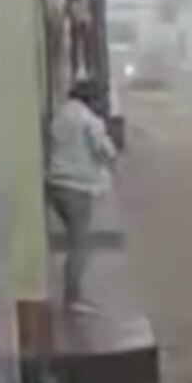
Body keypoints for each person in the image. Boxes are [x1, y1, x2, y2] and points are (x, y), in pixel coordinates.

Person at [46, 79, 116, 309]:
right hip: (77, 187)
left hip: (56, 184)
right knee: (80, 245)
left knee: (75, 241)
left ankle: (71, 291)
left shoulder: (61, 114)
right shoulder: (89, 120)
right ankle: (73, 297)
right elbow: (105, 150)